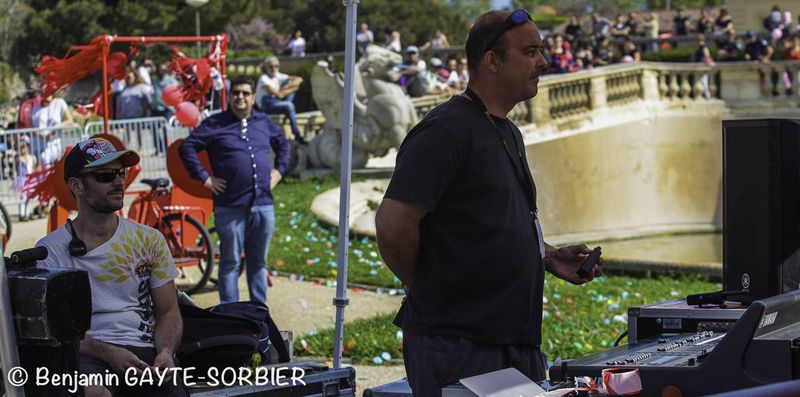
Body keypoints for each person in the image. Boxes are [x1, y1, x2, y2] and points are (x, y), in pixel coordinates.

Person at [375, 9, 603, 395]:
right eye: (530, 52)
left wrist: (545, 255)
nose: (543, 62)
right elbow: (393, 226)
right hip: (459, 344)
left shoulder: (508, 131)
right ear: (492, 60)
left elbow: (489, 222)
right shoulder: (445, 130)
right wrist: (428, 285)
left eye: (541, 50)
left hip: (512, 338)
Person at [36, 137, 186, 396]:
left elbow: (168, 311)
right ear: (76, 186)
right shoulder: (50, 251)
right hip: (86, 353)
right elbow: (56, 331)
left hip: (144, 351)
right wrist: (108, 352)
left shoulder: (149, 240)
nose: (119, 182)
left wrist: (165, 352)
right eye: (105, 175)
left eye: (121, 173)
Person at [180, 76, 290, 304]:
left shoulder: (263, 121)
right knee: (230, 262)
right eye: (236, 93)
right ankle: (231, 316)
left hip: (263, 205)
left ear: (253, 97)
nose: (240, 97)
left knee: (258, 262)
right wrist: (204, 178)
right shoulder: (215, 123)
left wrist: (279, 171)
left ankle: (259, 314)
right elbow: (188, 147)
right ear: (229, 97)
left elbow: (283, 143)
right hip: (229, 206)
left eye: (245, 93)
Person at [255, 56, 306, 143]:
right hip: (266, 105)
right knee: (289, 105)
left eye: (276, 66)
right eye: (270, 66)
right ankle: (296, 133)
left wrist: (288, 87)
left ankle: (288, 110)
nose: (274, 68)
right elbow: (279, 95)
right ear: (266, 68)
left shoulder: (278, 76)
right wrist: (293, 88)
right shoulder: (264, 79)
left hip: (276, 102)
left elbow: (299, 79)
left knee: (289, 83)